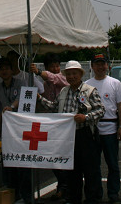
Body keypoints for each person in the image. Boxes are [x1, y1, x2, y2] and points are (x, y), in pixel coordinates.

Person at [38, 60, 105, 204]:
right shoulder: (64, 91)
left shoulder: (89, 90)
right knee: (72, 170)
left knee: (90, 170)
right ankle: (73, 198)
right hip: (68, 137)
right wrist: (39, 98)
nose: (71, 76)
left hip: (86, 134)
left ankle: (93, 199)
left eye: (74, 73)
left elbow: (101, 110)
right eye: (68, 74)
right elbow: (54, 107)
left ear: (80, 74)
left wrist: (86, 117)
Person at [86, 54, 121, 204]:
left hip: (111, 128)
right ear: (92, 66)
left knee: (113, 164)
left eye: (103, 64)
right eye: (97, 64)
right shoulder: (87, 85)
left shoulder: (115, 83)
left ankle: (113, 193)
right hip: (93, 129)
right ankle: (96, 194)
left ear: (107, 66)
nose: (100, 67)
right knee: (93, 165)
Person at [30, 53, 69, 201]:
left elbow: (53, 77)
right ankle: (63, 186)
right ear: (47, 67)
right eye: (52, 66)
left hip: (65, 125)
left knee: (65, 156)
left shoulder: (63, 78)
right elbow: (44, 104)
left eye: (57, 65)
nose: (55, 68)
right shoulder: (45, 85)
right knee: (53, 157)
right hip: (52, 126)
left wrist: (39, 72)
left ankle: (66, 188)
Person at [0, 57, 31, 204]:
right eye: (1, 69)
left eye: (7, 68)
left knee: (22, 163)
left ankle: (26, 196)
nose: (4, 71)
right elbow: (1, 108)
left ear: (12, 70)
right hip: (8, 129)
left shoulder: (21, 83)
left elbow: (19, 100)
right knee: (9, 162)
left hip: (21, 127)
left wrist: (13, 106)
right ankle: (12, 193)